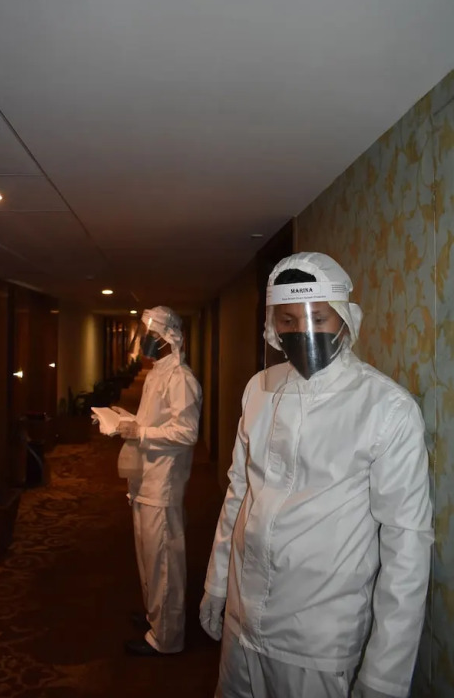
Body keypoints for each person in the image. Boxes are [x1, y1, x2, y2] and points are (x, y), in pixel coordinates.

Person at [200, 252, 432, 698]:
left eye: (317, 317)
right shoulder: (259, 389)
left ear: (345, 316)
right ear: (273, 324)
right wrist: (217, 582)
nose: (302, 330)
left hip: (317, 642)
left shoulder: (385, 408)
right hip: (242, 622)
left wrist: (385, 674)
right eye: (288, 319)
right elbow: (239, 493)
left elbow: (407, 542)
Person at [117, 305, 202, 656]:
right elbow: (154, 421)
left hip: (163, 483)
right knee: (148, 557)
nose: (146, 341)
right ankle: (156, 615)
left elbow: (186, 432)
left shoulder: (180, 378)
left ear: (169, 337)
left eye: (151, 335)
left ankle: (165, 637)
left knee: (163, 562)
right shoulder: (158, 373)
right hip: (145, 479)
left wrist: (142, 432)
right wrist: (126, 422)